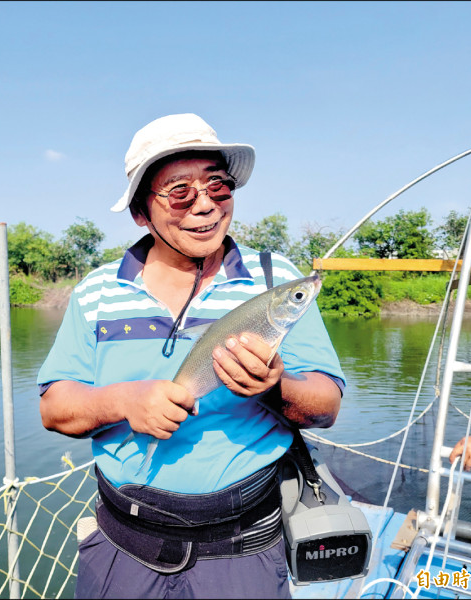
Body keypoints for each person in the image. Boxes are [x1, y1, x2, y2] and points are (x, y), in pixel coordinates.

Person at [37, 113, 346, 599]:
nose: (205, 206)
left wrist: (273, 389)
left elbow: (325, 406)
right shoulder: (96, 293)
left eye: (219, 187)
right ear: (142, 212)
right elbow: (55, 408)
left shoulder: (274, 280)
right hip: (124, 546)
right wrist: (123, 402)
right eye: (179, 191)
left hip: (243, 548)